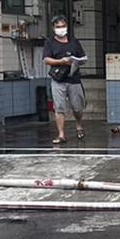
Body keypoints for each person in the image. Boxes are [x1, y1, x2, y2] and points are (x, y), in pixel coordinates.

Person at [43, 15, 88, 145]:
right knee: (59, 107)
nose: (61, 29)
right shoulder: (50, 42)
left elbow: (83, 58)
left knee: (77, 107)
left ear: (67, 26)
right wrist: (60, 61)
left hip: (74, 78)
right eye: (58, 27)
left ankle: (79, 125)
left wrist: (76, 62)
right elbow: (46, 59)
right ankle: (61, 134)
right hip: (58, 79)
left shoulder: (74, 42)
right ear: (53, 28)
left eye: (63, 26)